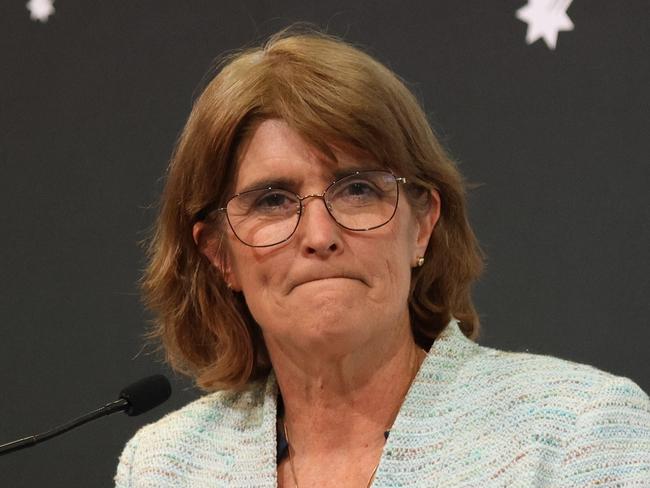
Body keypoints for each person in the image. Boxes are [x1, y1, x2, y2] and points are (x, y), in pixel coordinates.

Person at [115, 27, 650, 487]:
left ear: (421, 226)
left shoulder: (583, 434)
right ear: (220, 255)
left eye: (357, 190)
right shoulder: (164, 466)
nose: (320, 235)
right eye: (273, 201)